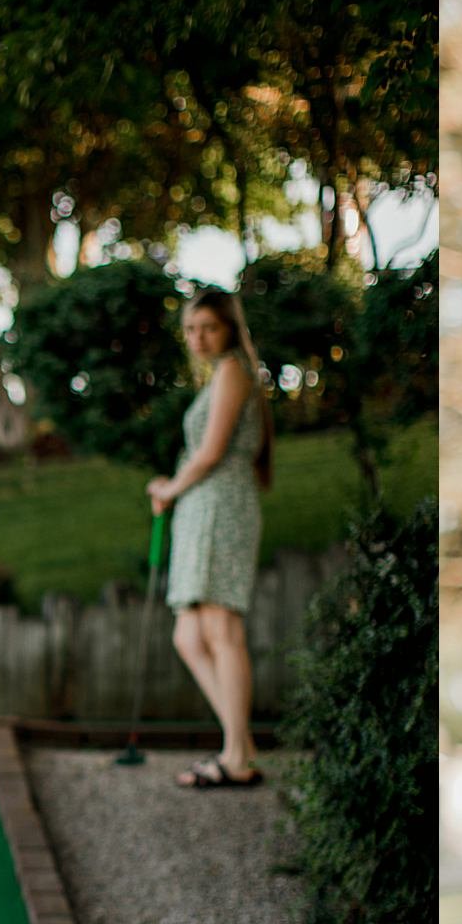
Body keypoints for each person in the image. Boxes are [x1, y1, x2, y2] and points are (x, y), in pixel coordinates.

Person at [148, 286, 275, 789]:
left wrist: (169, 489)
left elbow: (210, 452)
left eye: (208, 327)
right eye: (190, 329)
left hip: (220, 504)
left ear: (228, 329)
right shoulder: (219, 376)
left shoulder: (232, 371)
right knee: (188, 634)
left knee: (221, 630)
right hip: (200, 507)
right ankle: (239, 743)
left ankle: (235, 755)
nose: (198, 338)